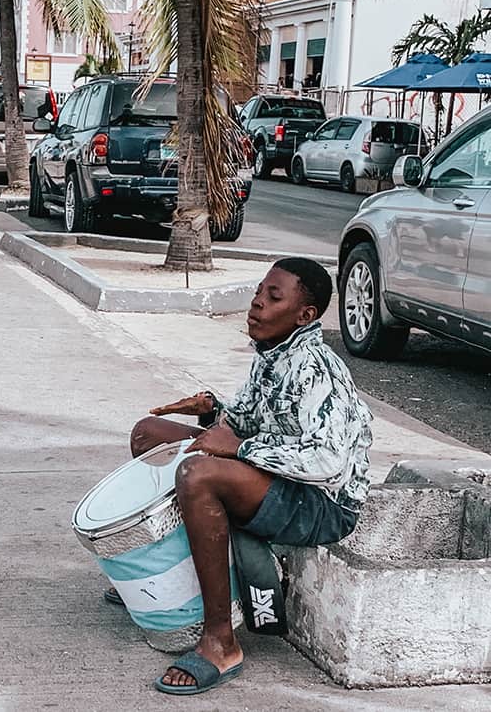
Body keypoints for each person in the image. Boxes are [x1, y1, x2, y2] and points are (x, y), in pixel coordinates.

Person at [117, 259, 372, 695]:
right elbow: (252, 418)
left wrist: (239, 448)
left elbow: (325, 461)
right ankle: (173, 580)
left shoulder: (314, 368)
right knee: (150, 435)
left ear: (305, 316)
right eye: (259, 291)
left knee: (198, 474)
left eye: (274, 297)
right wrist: (213, 410)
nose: (256, 303)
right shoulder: (273, 352)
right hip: (282, 480)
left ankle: (220, 641)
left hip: (321, 504)